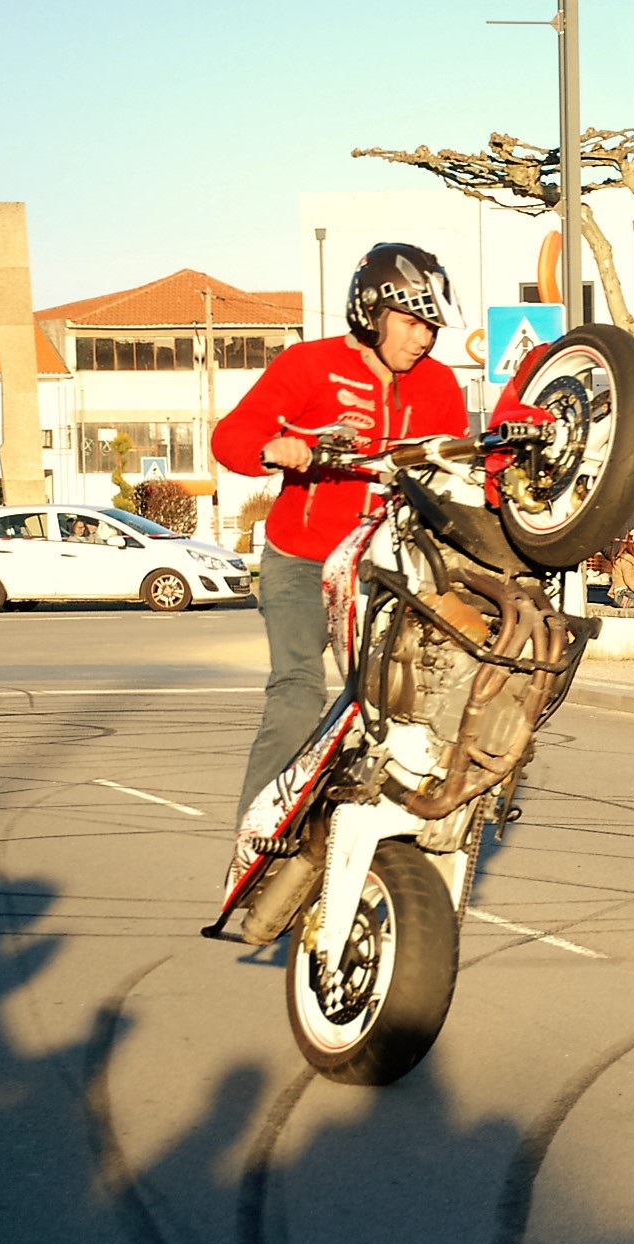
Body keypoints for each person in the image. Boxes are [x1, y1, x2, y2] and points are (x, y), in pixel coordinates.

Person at [213, 242, 468, 819]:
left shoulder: (440, 387)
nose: (423, 337)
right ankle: (258, 828)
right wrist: (272, 448)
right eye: (410, 321)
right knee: (299, 692)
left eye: (430, 324)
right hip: (301, 559)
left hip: (386, 568)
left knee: (390, 702)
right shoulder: (309, 366)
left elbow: (454, 471)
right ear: (370, 312)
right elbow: (231, 437)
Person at [608, 530, 634, 608]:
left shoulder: (631, 558)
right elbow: (629, 578)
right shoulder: (627, 558)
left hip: (629, 592)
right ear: (632, 544)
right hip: (623, 595)